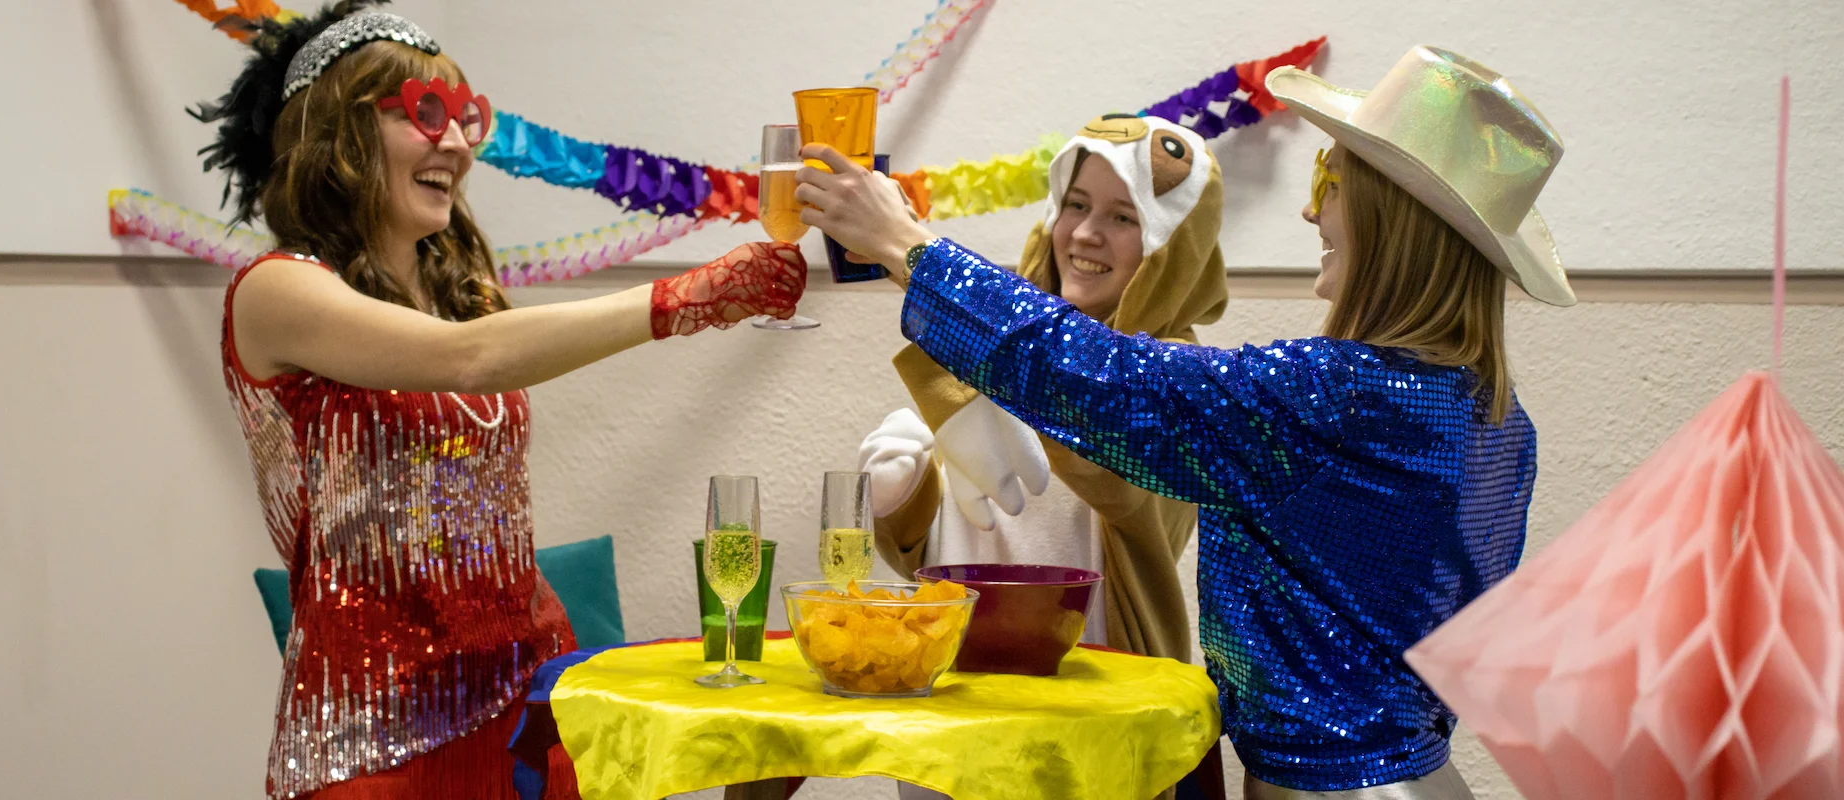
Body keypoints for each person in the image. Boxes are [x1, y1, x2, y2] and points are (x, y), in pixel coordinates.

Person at [799, 45, 1574, 798]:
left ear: (1391, 217)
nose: (1311, 208)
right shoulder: (1498, 418)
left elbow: (1111, 385)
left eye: (1329, 177)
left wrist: (910, 246)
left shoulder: (1331, 397)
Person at [194, 3, 804, 797]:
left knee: (774, 718)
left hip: (527, 707)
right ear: (338, 133)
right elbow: (470, 361)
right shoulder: (275, 291)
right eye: (428, 113)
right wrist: (685, 298)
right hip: (376, 740)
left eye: (466, 117)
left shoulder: (459, 291)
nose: (457, 142)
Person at [867, 113, 1230, 800]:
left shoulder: (1186, 380)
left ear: (1172, 247)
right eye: (1076, 204)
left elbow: (1104, 457)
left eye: (1125, 217)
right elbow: (949, 555)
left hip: (1091, 735)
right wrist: (903, 497)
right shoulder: (1000, 353)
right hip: (960, 726)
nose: (1087, 233)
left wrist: (949, 342)